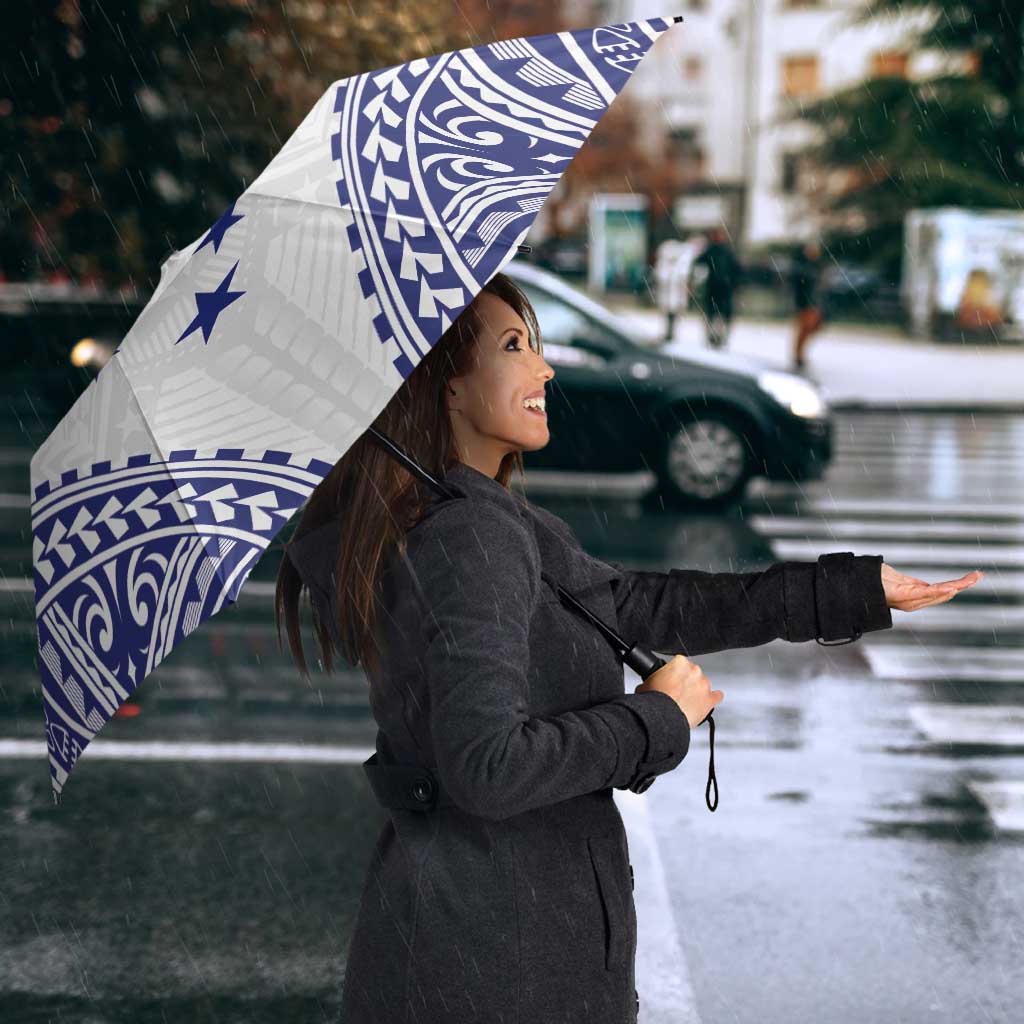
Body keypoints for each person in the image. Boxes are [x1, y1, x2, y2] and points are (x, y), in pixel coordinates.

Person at [275, 272, 981, 1024]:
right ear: (446, 384)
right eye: (514, 347)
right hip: (501, 964)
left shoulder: (468, 518)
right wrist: (656, 719)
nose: (545, 368)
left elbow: (639, 606)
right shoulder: (471, 536)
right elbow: (488, 768)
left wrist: (849, 591)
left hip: (473, 942)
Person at [692, 226, 742, 349]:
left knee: (719, 315)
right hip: (716, 288)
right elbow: (698, 263)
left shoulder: (724, 252)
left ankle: (719, 337)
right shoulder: (714, 251)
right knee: (714, 314)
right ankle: (713, 337)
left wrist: (735, 284)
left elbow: (736, 270)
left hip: (722, 289)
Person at [790, 239, 826, 370]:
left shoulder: (816, 266)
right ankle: (798, 355)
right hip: (805, 303)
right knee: (804, 329)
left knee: (812, 327)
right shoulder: (802, 267)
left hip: (814, 303)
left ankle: (799, 354)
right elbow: (799, 286)